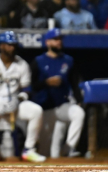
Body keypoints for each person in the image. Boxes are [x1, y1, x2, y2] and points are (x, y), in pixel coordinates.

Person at [0, 31, 46, 163]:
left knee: (36, 110)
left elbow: (26, 88)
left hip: (15, 103)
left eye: (13, 45)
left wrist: (19, 99)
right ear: (1, 46)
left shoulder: (22, 64)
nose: (11, 47)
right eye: (8, 45)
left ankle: (29, 150)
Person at [30, 29, 84, 158]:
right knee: (46, 151)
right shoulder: (38, 61)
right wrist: (46, 83)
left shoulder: (68, 60)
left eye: (60, 39)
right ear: (47, 42)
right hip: (44, 109)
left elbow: (74, 82)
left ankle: (68, 148)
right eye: (55, 39)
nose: (59, 42)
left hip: (61, 106)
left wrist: (79, 100)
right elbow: (31, 85)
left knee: (78, 113)